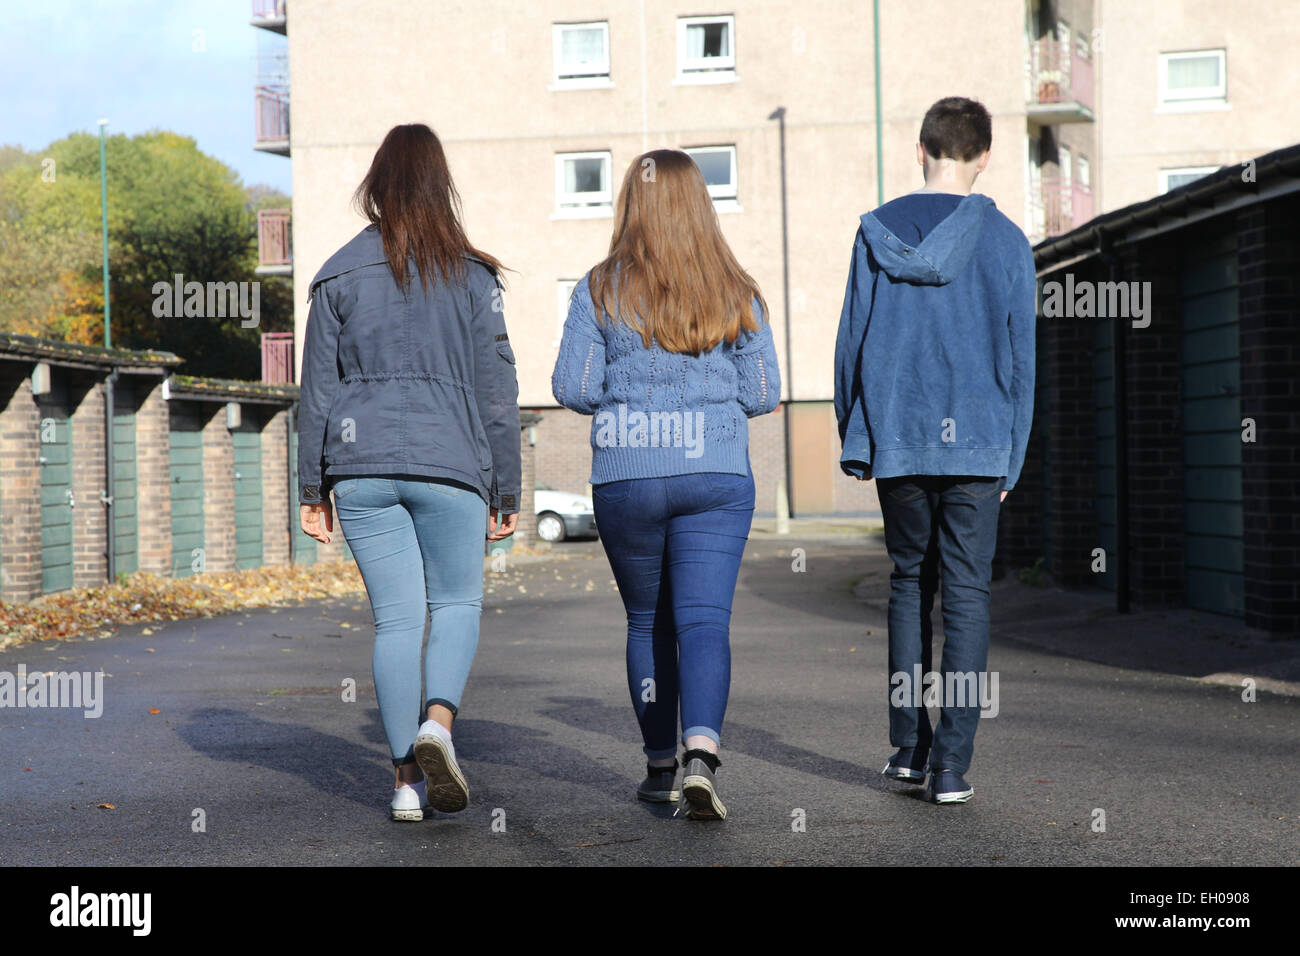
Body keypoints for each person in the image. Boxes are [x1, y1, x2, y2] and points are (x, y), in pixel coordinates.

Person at [297, 123, 520, 821]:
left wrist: (312, 488)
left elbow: (316, 392)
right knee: (454, 604)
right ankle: (438, 726)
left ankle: (403, 785)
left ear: (376, 186)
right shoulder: (474, 277)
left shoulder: (336, 273)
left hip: (360, 472)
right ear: (438, 184)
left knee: (396, 620)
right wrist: (506, 487)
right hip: (451, 464)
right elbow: (497, 391)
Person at [551, 149, 780, 820]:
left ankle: (658, 766)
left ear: (633, 203)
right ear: (700, 207)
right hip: (715, 470)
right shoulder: (736, 287)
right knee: (705, 621)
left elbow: (573, 386)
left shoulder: (599, 287)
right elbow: (764, 393)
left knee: (648, 620)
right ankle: (701, 757)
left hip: (629, 475)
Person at [833, 97, 1036, 804]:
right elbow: (1020, 357)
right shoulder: (1007, 240)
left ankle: (908, 750)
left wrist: (855, 435)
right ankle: (951, 766)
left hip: (900, 439)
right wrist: (1012, 453)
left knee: (908, 585)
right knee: (968, 597)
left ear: (922, 150)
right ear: (983, 157)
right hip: (979, 443)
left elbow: (850, 344)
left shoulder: (874, 232)